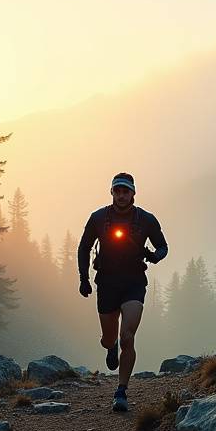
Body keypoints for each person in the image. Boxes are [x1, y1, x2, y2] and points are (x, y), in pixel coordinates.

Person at [77, 172, 168, 412]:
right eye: (117, 191)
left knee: (128, 335)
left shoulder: (146, 220)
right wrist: (83, 278)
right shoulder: (98, 218)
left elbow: (163, 245)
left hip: (134, 283)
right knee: (109, 338)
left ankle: (121, 391)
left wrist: (155, 256)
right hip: (106, 283)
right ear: (112, 192)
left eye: (126, 191)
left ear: (133, 193)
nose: (121, 195)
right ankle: (111, 345)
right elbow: (84, 246)